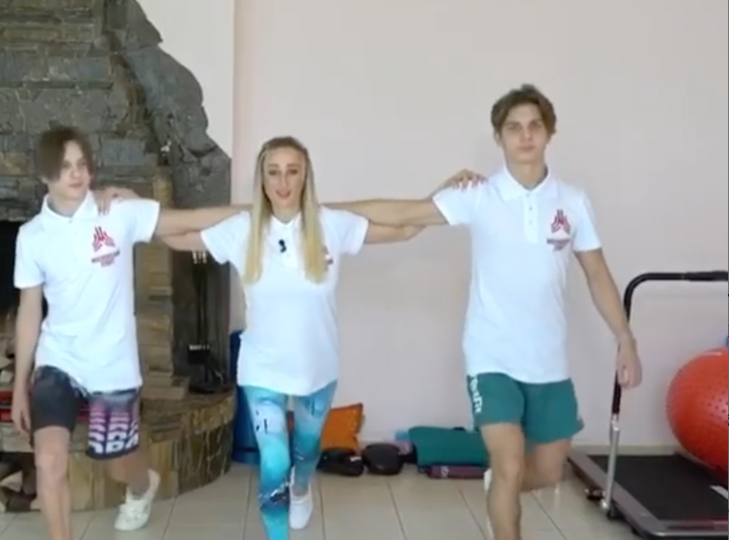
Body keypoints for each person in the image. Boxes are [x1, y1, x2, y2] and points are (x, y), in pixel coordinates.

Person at [103, 136, 477, 540]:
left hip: (318, 368)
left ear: (305, 177)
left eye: (292, 171)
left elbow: (402, 229)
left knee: (306, 451)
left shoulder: (331, 225)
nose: (282, 182)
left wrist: (444, 194)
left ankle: (302, 487)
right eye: (274, 172)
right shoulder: (243, 229)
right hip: (262, 370)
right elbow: (178, 236)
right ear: (263, 179)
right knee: (274, 461)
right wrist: (137, 207)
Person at [334, 84, 643, 540]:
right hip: (491, 356)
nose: (525, 135)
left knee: (548, 471)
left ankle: (499, 486)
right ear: (499, 137)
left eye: (534, 126)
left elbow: (597, 274)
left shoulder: (572, 201)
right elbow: (403, 213)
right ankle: (503, 501)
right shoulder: (477, 195)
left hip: (548, 361)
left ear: (549, 133)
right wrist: (320, 212)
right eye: (514, 127)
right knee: (509, 462)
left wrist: (625, 339)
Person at [11, 126, 245, 540]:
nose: (76, 173)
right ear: (45, 175)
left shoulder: (116, 213)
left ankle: (142, 485)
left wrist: (256, 211)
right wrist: (18, 387)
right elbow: (30, 310)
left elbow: (187, 221)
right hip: (58, 360)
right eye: (64, 167)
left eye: (82, 164)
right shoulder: (31, 237)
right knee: (48, 460)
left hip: (112, 364)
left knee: (117, 462)